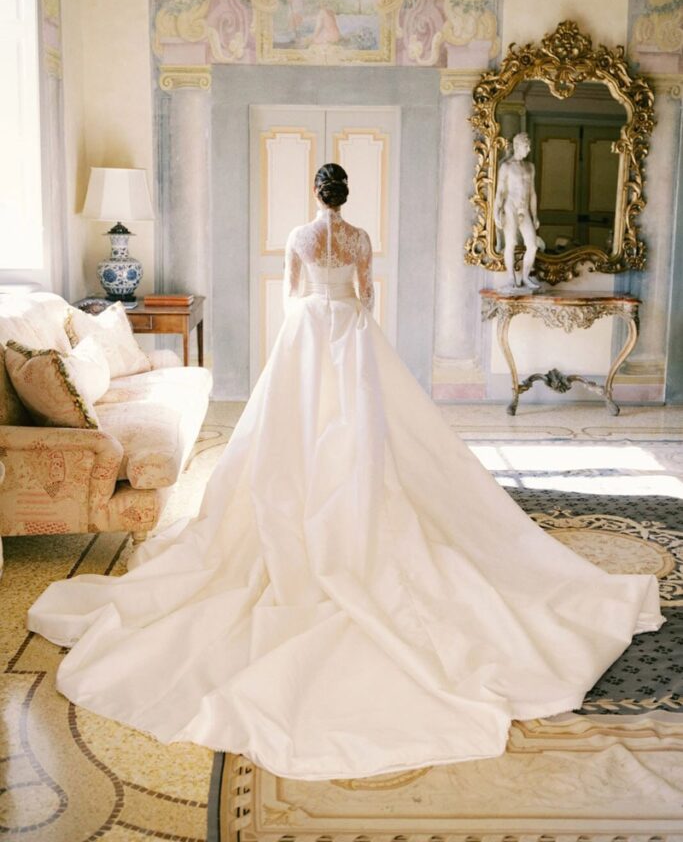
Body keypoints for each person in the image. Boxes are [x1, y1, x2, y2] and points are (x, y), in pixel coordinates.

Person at [27, 164, 662, 781]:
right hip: (351, 331)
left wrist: (309, 323)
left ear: (315, 193)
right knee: (362, 423)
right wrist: (356, 325)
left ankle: (309, 492)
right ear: (346, 195)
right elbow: (367, 293)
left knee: (294, 422)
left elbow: (290, 294)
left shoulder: (301, 237)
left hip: (306, 329)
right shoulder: (358, 237)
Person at [494, 131, 541, 289]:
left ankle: (526, 277)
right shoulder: (506, 167)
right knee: (511, 243)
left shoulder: (530, 167)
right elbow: (500, 192)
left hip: (524, 208)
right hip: (510, 207)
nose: (529, 149)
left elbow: (533, 193)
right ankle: (510, 278)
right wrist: (496, 213)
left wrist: (535, 216)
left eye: (529, 146)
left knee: (533, 246)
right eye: (526, 146)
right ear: (517, 146)